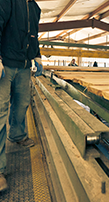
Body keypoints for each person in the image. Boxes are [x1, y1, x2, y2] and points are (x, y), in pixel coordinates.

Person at [0, 0, 43, 192]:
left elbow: (34, 36)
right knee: (0, 112)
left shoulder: (35, 8)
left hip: (24, 66)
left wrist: (38, 55)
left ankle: (17, 135)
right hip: (5, 64)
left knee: (22, 104)